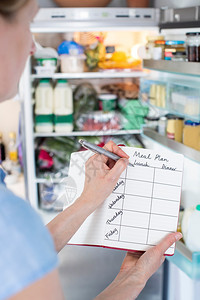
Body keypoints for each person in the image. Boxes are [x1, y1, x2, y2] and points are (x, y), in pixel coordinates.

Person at [0, 1, 182, 299]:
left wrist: (89, 199)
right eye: (28, 23)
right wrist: (133, 279)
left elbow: (22, 254)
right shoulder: (9, 215)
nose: (33, 46)